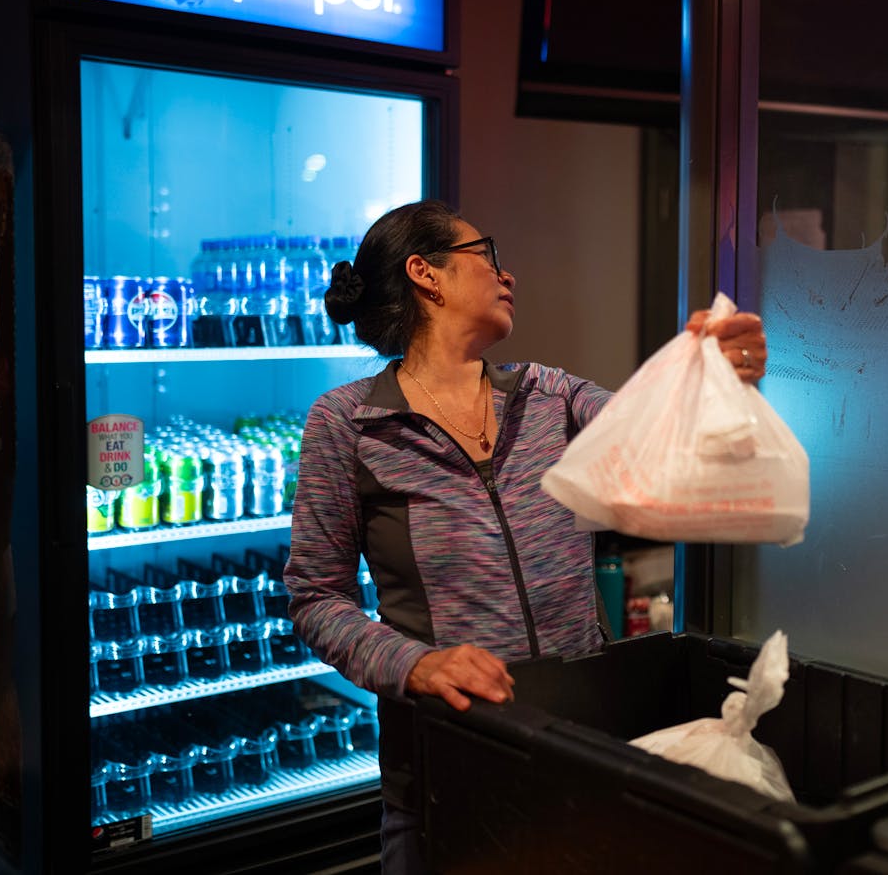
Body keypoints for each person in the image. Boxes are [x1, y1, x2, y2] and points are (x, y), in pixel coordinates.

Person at [284, 200, 768, 874]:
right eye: (488, 254)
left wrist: (706, 379)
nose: (508, 275)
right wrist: (416, 664)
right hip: (447, 766)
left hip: (581, 749)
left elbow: (652, 432)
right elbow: (315, 596)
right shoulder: (349, 422)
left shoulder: (549, 393)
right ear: (427, 273)